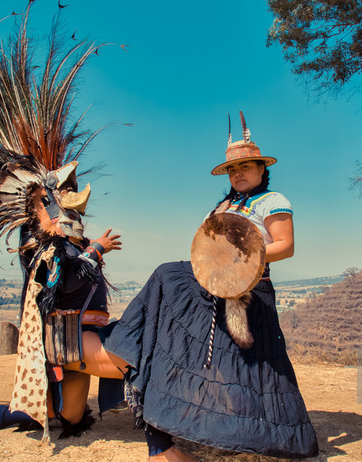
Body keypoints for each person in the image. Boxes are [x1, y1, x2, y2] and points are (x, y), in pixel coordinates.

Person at [99, 112, 319, 460]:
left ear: (262, 168)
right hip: (211, 290)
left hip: (250, 292)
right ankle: (132, 354)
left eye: (246, 167)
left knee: (249, 369)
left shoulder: (272, 201)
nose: (238, 173)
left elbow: (285, 246)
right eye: (234, 169)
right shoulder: (221, 206)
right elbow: (204, 250)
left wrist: (243, 261)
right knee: (169, 285)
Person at [0, 171, 128, 438]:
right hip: (69, 335)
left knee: (70, 415)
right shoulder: (40, 245)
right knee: (128, 362)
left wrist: (88, 250)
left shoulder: (71, 244)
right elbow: (63, 283)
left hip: (84, 334)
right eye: (52, 201)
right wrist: (95, 250)